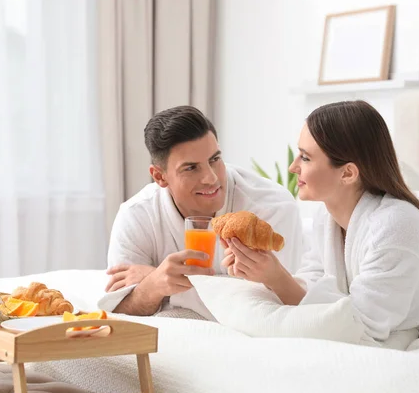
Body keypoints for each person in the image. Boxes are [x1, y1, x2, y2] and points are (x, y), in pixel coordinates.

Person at [222, 100, 419, 343]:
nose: (293, 167)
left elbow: (361, 326)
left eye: (305, 158)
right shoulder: (327, 217)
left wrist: (278, 279)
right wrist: (265, 274)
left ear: (347, 173)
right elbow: (313, 280)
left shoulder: (395, 227)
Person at [99, 105, 304, 316]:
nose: (211, 178)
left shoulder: (271, 207)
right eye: (191, 168)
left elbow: (271, 306)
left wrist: (161, 283)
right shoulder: (137, 215)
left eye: (214, 160)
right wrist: (155, 285)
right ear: (160, 176)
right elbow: (120, 310)